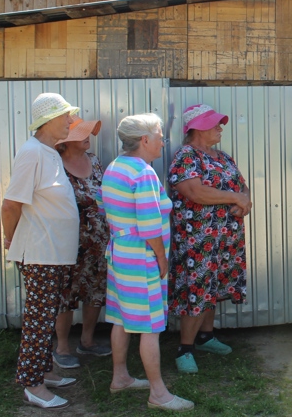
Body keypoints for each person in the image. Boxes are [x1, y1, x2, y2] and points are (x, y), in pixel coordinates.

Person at [101, 114, 193, 412]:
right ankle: (158, 393)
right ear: (144, 140)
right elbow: (150, 225)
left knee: (120, 317)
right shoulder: (143, 173)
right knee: (150, 325)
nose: (162, 141)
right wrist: (161, 257)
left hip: (119, 252)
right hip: (141, 256)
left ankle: (120, 378)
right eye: (158, 135)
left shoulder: (115, 166)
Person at [0, 92, 81, 410]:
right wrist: (11, 239)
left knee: (46, 317)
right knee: (38, 319)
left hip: (53, 253)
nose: (71, 122)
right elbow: (10, 204)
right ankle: (32, 385)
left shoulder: (48, 152)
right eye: (66, 116)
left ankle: (43, 372)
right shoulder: (32, 152)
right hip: (39, 253)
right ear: (48, 120)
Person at [167, 104, 252, 375]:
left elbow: (242, 186)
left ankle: (206, 337)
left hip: (226, 237)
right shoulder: (186, 156)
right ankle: (185, 348)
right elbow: (195, 192)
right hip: (198, 240)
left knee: (214, 287)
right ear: (198, 128)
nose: (220, 127)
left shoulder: (223, 157)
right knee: (198, 288)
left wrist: (243, 202)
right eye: (215, 123)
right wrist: (234, 198)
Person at [52, 116, 111, 369]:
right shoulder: (54, 164)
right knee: (65, 293)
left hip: (98, 241)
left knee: (95, 291)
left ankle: (87, 340)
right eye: (81, 134)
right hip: (67, 242)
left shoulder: (95, 161)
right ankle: (62, 346)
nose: (88, 137)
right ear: (65, 141)